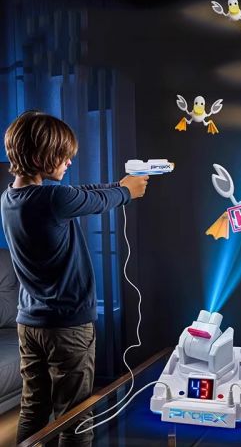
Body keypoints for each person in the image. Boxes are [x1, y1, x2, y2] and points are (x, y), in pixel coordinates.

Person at [1, 110, 149, 446]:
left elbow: (82, 192)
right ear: (39, 157)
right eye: (63, 155)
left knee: (33, 408)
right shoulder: (54, 199)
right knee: (75, 417)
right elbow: (92, 200)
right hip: (66, 326)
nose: (69, 162)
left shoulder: (9, 198)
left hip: (29, 323)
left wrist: (120, 185)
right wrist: (127, 192)